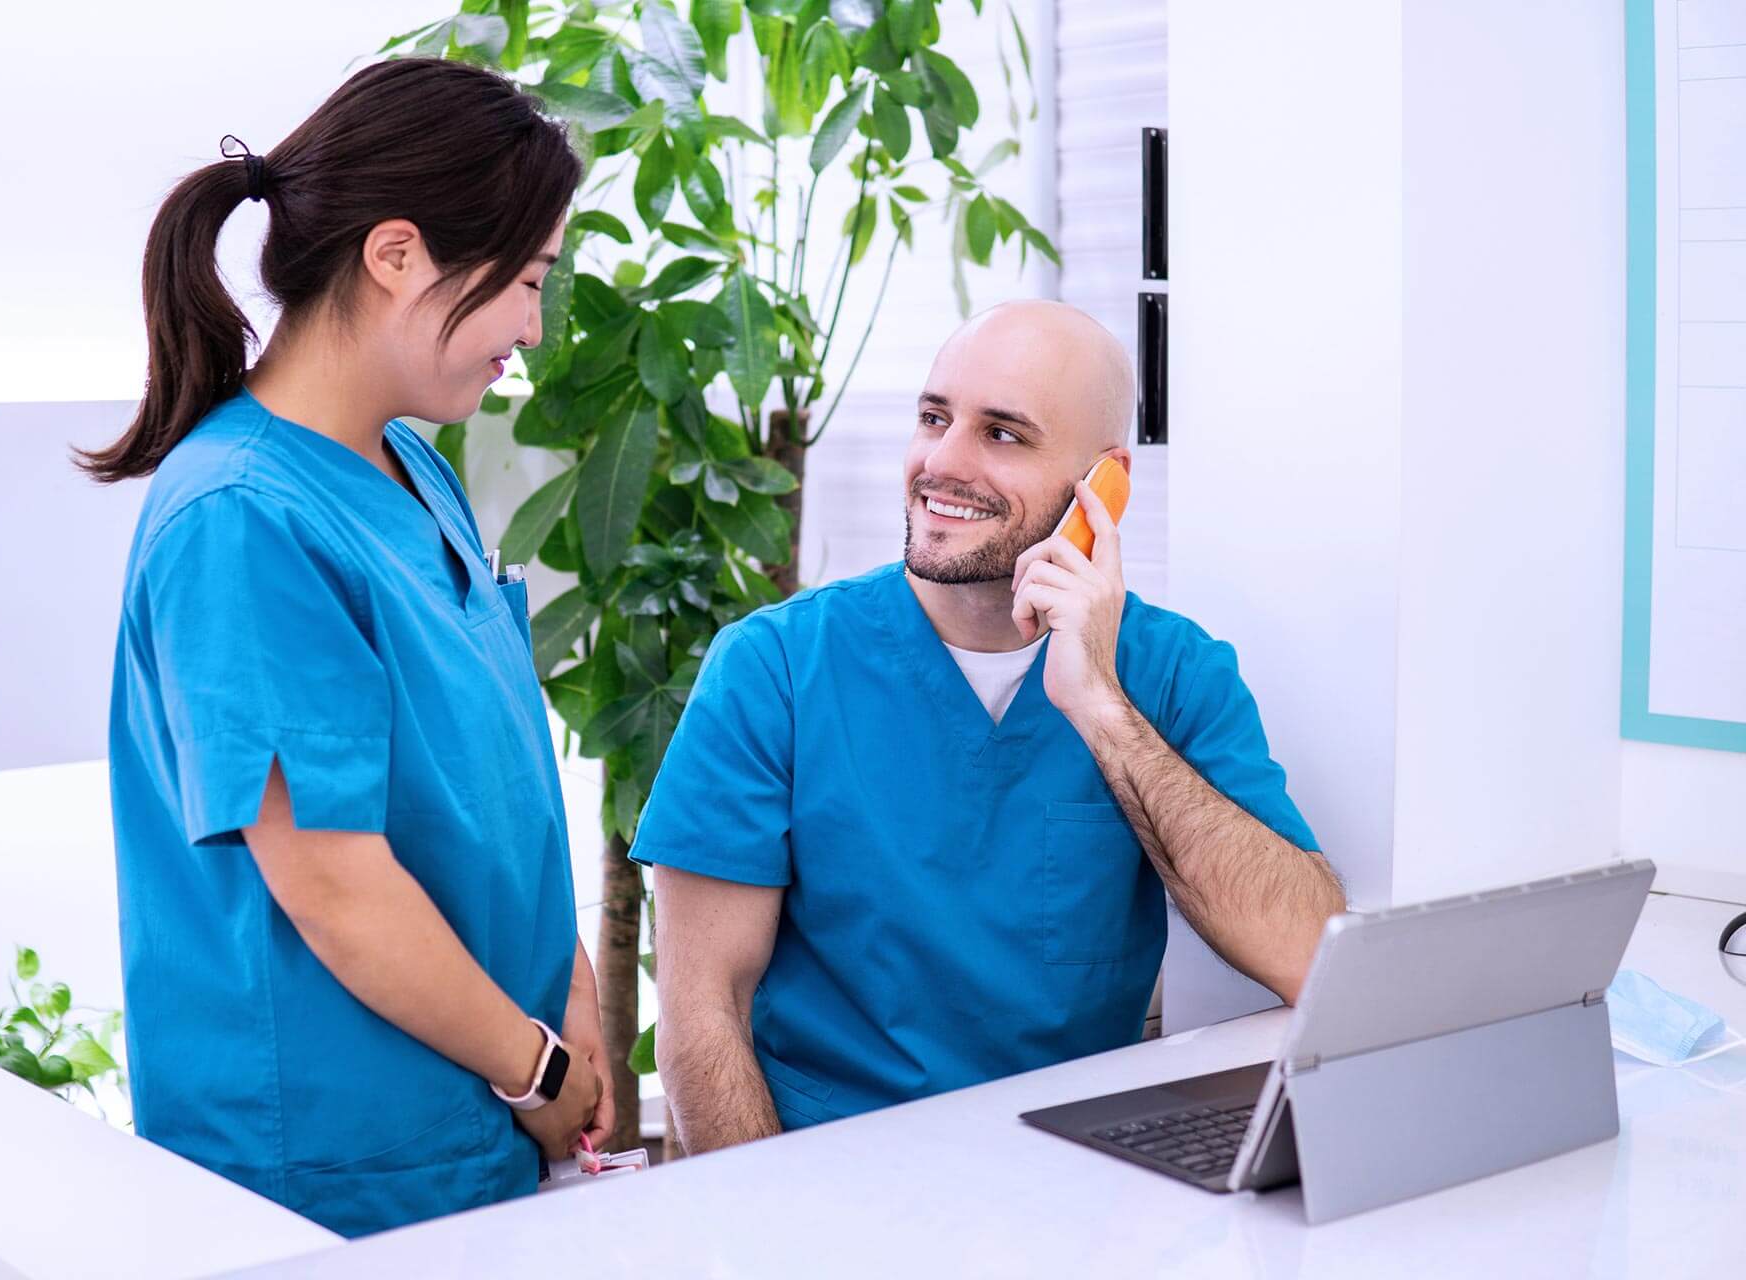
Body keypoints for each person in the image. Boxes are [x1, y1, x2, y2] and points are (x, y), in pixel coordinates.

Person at [80, 59, 606, 1237]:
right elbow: (335, 886)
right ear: (397, 254)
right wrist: (537, 1068)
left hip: (471, 1130)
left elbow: (481, 787)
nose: (532, 324)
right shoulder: (242, 516)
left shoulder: (410, 463)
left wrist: (565, 982)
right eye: (526, 280)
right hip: (335, 1168)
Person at [636, 300, 1348, 1153]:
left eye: (1003, 434)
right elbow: (701, 1013)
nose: (942, 462)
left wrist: (1101, 709)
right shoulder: (773, 668)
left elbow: (1311, 953)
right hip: (829, 1186)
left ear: (1104, 483)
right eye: (934, 418)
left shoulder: (1171, 674)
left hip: (1082, 1181)